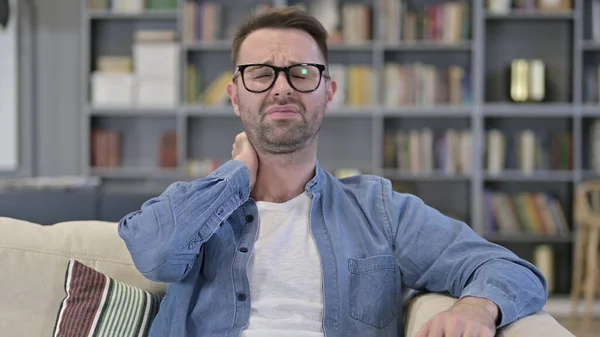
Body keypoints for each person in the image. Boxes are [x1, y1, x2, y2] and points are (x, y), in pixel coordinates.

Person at [118, 7, 548, 337]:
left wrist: (476, 307)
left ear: (329, 92)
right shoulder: (194, 207)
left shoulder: (379, 210)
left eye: (302, 72)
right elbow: (156, 256)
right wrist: (236, 173)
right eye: (261, 74)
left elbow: (508, 269)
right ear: (235, 97)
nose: (282, 87)